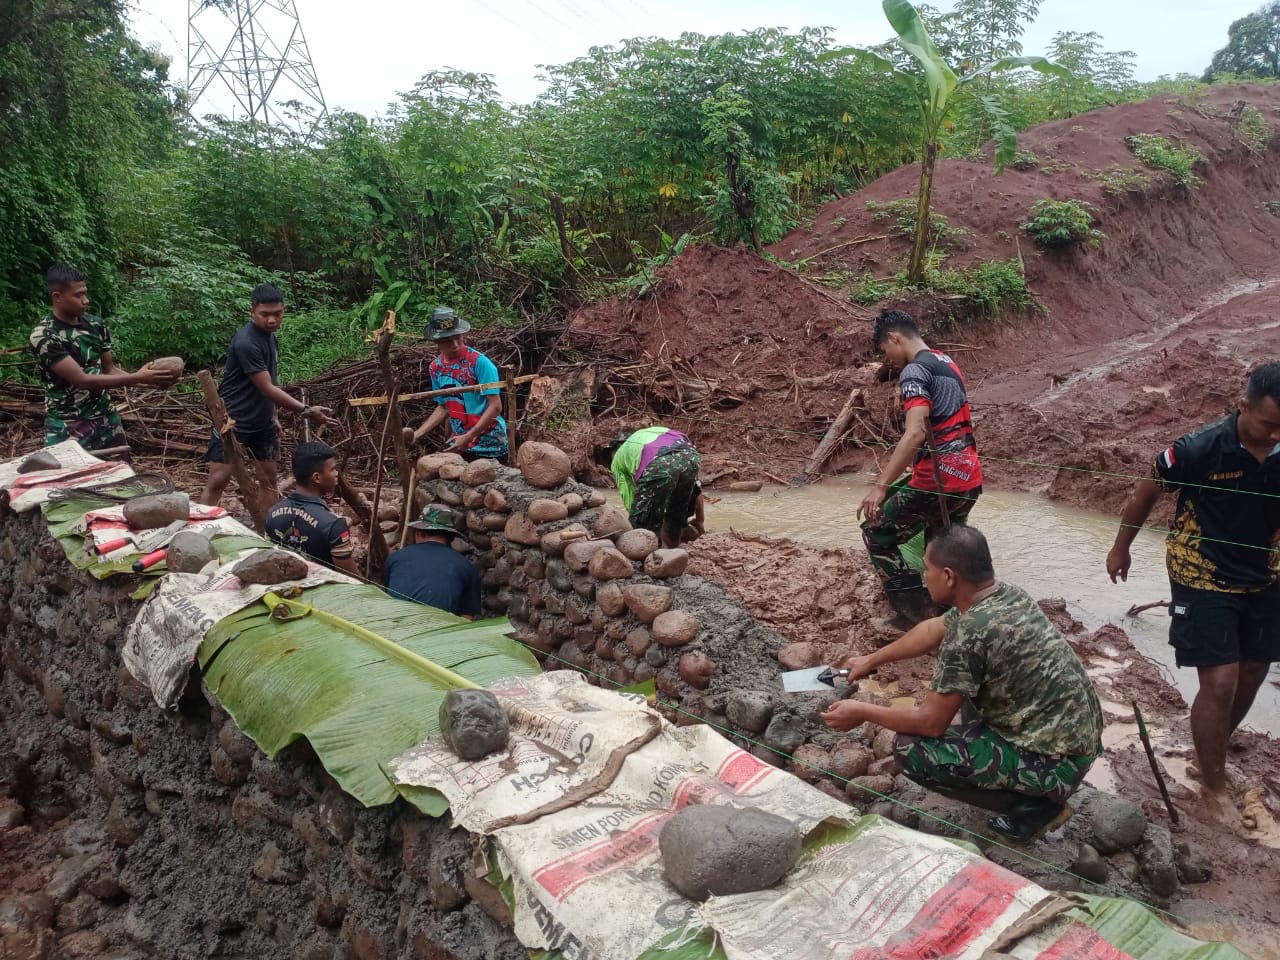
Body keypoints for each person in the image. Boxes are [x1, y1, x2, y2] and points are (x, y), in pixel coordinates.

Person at [823, 525, 1103, 842]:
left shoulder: (970, 635)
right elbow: (932, 629)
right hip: (1079, 739)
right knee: (967, 691)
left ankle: (1035, 807)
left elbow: (930, 724)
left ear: (948, 576)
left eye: (926, 569)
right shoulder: (1005, 596)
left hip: (1057, 762)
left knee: (910, 750)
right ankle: (1023, 779)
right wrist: (872, 660)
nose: (922, 575)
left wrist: (863, 710)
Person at [1106, 362, 1280, 812]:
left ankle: (1210, 754)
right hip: (1200, 569)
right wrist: (1120, 548)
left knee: (1253, 673)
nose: (1278, 435)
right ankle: (1214, 789)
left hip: (1267, 571)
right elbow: (1146, 491)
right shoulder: (1197, 449)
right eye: (1270, 425)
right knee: (1220, 681)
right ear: (1243, 407)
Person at [859, 310, 984, 624]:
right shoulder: (946, 362)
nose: (890, 361)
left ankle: (910, 613)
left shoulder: (914, 371)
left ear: (894, 338)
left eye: (886, 352)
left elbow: (915, 432)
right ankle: (950, 613)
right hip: (968, 476)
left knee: (876, 531)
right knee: (940, 545)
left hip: (938, 480)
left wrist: (881, 486)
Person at [199, 283, 336, 506]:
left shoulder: (271, 338)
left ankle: (267, 529)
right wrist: (307, 410)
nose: (272, 320)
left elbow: (271, 380)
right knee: (218, 478)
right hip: (233, 420)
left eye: (277, 314)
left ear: (284, 311)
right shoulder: (246, 342)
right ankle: (198, 531)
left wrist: (272, 417)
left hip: (262, 423)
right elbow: (267, 388)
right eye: (265, 314)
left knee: (269, 479)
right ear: (252, 311)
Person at [29, 264, 177, 454]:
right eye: (78, 295)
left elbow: (110, 370)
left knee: (122, 480)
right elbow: (82, 380)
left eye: (85, 293)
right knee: (68, 481)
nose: (86, 300)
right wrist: (139, 377)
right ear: (57, 297)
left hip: (106, 418)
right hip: (68, 424)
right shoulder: (44, 336)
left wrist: (151, 381)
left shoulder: (96, 325)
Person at [407, 307, 507, 462]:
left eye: (458, 338)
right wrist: (417, 434)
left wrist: (468, 436)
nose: (455, 344)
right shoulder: (436, 368)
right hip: (460, 442)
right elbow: (444, 407)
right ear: (436, 341)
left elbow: (495, 406)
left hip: (491, 442)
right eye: (448, 340)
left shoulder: (480, 363)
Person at [264, 442, 359, 576]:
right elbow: (353, 580)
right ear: (317, 477)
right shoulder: (333, 524)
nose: (337, 473)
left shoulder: (272, 513)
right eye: (332, 469)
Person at [609, 427, 706, 548]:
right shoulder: (653, 432)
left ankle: (648, 555)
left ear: (615, 449)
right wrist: (700, 520)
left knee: (641, 520)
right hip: (691, 456)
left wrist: (638, 521)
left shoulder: (618, 459)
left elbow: (630, 498)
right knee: (676, 515)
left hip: (659, 463)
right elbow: (696, 489)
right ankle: (673, 551)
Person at [385, 504, 482, 619]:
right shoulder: (467, 567)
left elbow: (387, 597)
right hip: (438, 632)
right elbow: (466, 618)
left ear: (419, 532)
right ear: (451, 537)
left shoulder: (395, 558)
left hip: (392, 629)